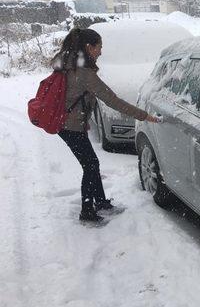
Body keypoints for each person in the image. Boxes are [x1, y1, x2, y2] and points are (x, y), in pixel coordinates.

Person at [52, 28, 160, 222]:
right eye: (99, 47)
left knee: (91, 164)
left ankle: (100, 202)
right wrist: (144, 115)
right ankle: (87, 211)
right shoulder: (83, 72)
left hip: (67, 123)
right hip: (70, 126)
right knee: (90, 165)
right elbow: (112, 100)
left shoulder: (68, 64)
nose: (100, 52)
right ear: (88, 47)